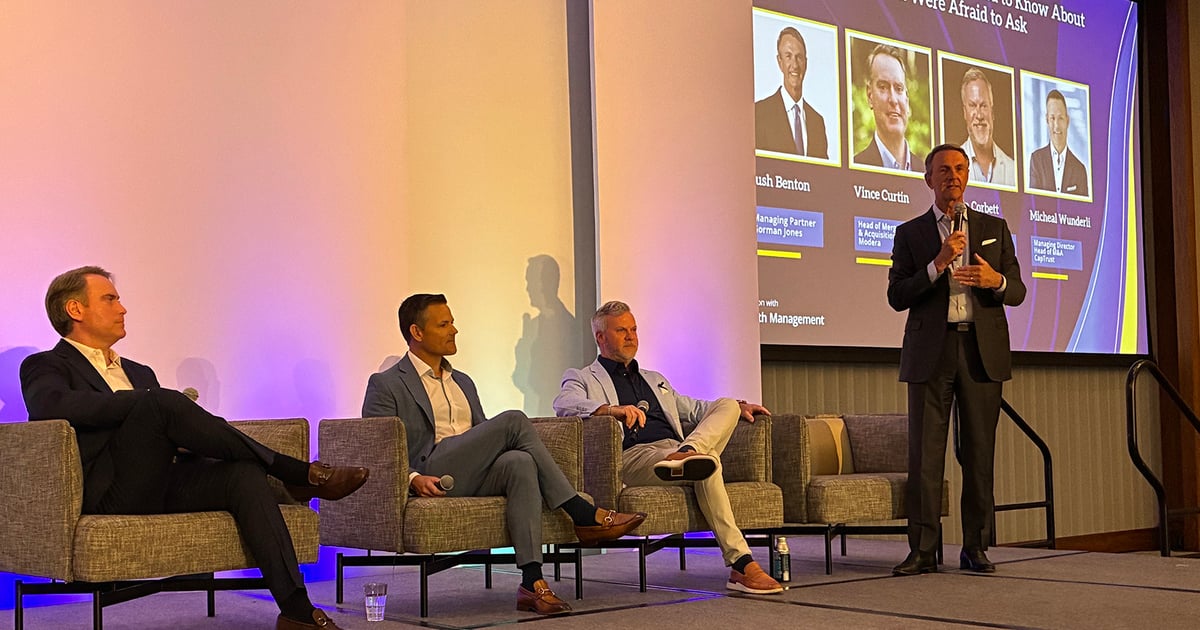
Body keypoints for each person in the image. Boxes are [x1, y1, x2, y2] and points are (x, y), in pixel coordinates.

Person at [19, 266, 368, 630]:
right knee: (161, 402)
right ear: (75, 309)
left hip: (161, 481)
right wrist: (144, 402)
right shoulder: (45, 365)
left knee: (242, 475)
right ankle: (294, 472)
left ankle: (296, 610)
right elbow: (50, 406)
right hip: (107, 491)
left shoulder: (139, 371)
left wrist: (182, 427)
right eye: (110, 299)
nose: (122, 308)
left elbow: (159, 433)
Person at [362, 293, 645, 615]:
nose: (454, 330)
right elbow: (377, 447)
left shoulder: (462, 382)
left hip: (467, 473)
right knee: (513, 420)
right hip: (432, 471)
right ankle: (579, 511)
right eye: (444, 324)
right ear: (417, 332)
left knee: (519, 462)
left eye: (452, 322)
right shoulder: (386, 383)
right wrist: (412, 477)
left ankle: (532, 583)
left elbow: (481, 436)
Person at [553, 301, 783, 595]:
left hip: (674, 449)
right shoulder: (583, 377)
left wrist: (739, 407)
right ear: (601, 337)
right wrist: (610, 410)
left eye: (634, 329)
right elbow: (564, 404)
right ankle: (742, 563)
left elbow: (695, 409)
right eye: (621, 330)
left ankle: (688, 453)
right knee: (708, 463)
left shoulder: (655, 379)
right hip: (635, 456)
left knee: (726, 407)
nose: (631, 336)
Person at [886, 146, 1026, 576]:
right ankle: (924, 550)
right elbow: (897, 295)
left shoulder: (994, 228)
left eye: (961, 169)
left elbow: (1017, 291)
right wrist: (938, 263)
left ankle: (976, 547)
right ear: (928, 179)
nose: (953, 176)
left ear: (968, 176)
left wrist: (995, 280)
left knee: (980, 454)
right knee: (925, 456)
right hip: (932, 351)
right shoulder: (910, 233)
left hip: (981, 352)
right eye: (944, 170)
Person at [754, 26, 828, 158]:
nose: (795, 65)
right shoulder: (760, 113)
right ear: (780, 61)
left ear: (806, 63)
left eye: (799, 57)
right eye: (788, 56)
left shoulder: (817, 122)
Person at [854, 44, 922, 171]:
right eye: (883, 87)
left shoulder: (927, 174)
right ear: (870, 96)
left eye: (899, 88)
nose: (893, 100)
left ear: (907, 101)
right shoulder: (856, 169)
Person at [959, 68, 1015, 186]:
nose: (979, 115)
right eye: (972, 106)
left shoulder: (1012, 170)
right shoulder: (952, 167)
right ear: (964, 112)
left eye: (984, 106)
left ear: (992, 112)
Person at [1029, 89, 1089, 196]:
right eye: (1052, 118)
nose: (1056, 125)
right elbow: (1033, 202)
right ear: (1047, 120)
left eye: (1060, 118)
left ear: (1067, 121)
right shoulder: (1036, 160)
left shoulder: (1079, 169)